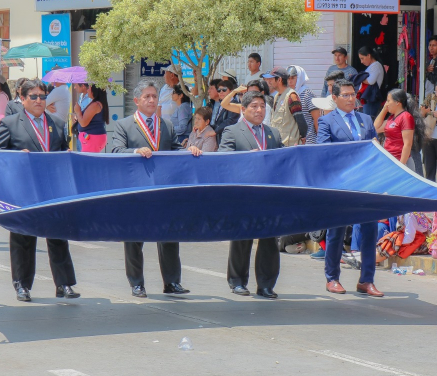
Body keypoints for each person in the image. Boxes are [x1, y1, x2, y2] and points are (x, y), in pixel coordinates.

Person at [110, 78, 202, 298]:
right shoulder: (124, 125)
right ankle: (137, 283)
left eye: (154, 96)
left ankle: (172, 282)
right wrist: (135, 151)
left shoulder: (166, 125)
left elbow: (171, 151)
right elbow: (114, 151)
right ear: (136, 101)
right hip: (136, 190)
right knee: (134, 238)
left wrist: (188, 151)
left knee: (169, 235)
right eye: (147, 97)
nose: (152, 100)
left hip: (163, 189)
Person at [0, 80, 80, 302]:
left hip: (52, 188)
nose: (39, 100)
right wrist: (16, 158)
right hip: (23, 190)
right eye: (33, 96)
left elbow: (63, 155)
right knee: (23, 237)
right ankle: (22, 285)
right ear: (22, 99)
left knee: (58, 236)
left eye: (42, 96)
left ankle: (64, 284)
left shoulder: (57, 122)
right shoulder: (11, 124)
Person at [316, 80, 383, 297]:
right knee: (336, 231)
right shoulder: (327, 121)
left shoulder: (365, 119)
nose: (350, 98)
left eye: (353, 94)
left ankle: (367, 280)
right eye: (345, 95)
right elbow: (323, 152)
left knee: (369, 230)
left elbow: (374, 147)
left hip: (365, 183)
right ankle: (332, 278)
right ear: (334, 98)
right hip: (340, 183)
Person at [218, 91, 284, 298]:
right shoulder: (232, 131)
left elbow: (281, 159)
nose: (259, 110)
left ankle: (266, 284)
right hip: (243, 193)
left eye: (262, 106)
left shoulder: (273, 133)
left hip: (268, 194)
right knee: (242, 237)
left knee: (269, 239)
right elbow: (223, 158)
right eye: (254, 106)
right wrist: (247, 157)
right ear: (243, 109)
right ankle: (237, 281)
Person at [373, 88, 425, 173]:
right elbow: (376, 127)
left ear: (397, 102)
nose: (387, 104)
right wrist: (384, 109)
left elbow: (407, 144)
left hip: (400, 162)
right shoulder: (391, 118)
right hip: (390, 160)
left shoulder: (405, 117)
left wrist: (401, 165)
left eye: (389, 101)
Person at [263, 66, 307, 146]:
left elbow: (301, 121)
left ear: (279, 80)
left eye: (271, 79)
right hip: (278, 145)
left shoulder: (292, 96)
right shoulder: (276, 96)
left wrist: (302, 138)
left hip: (290, 146)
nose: (269, 82)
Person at [287, 66, 320, 144]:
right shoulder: (289, 95)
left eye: (293, 78)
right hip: (294, 141)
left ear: (299, 78)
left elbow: (317, 119)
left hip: (309, 141)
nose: (290, 81)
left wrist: (320, 140)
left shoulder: (307, 94)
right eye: (288, 78)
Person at [72, 83, 109, 153]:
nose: (87, 90)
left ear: (94, 91)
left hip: (92, 138)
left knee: (88, 162)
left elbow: (83, 123)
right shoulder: (96, 103)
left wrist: (78, 111)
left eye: (89, 88)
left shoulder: (95, 105)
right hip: (91, 137)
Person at [356, 46, 385, 119]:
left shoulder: (376, 65)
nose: (361, 61)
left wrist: (360, 78)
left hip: (371, 99)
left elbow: (371, 81)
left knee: (368, 121)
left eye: (362, 58)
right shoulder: (372, 66)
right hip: (368, 98)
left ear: (369, 55)